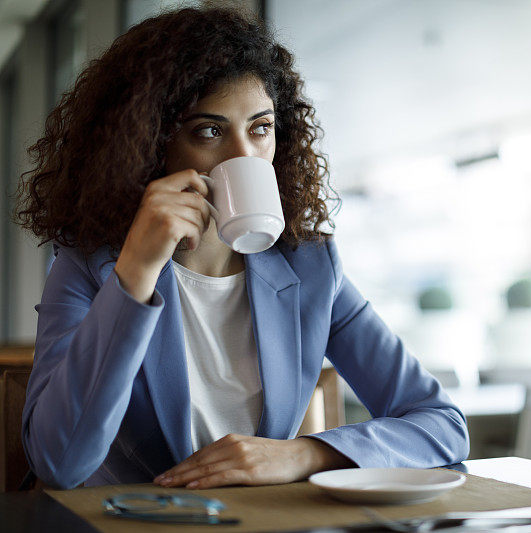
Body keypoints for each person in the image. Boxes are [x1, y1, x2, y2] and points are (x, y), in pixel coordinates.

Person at [14, 6, 469, 490]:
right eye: (209, 131)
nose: (244, 155)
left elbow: (441, 424)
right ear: (149, 143)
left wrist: (304, 454)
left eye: (260, 127)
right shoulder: (92, 265)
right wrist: (137, 271)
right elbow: (59, 462)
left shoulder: (311, 266)